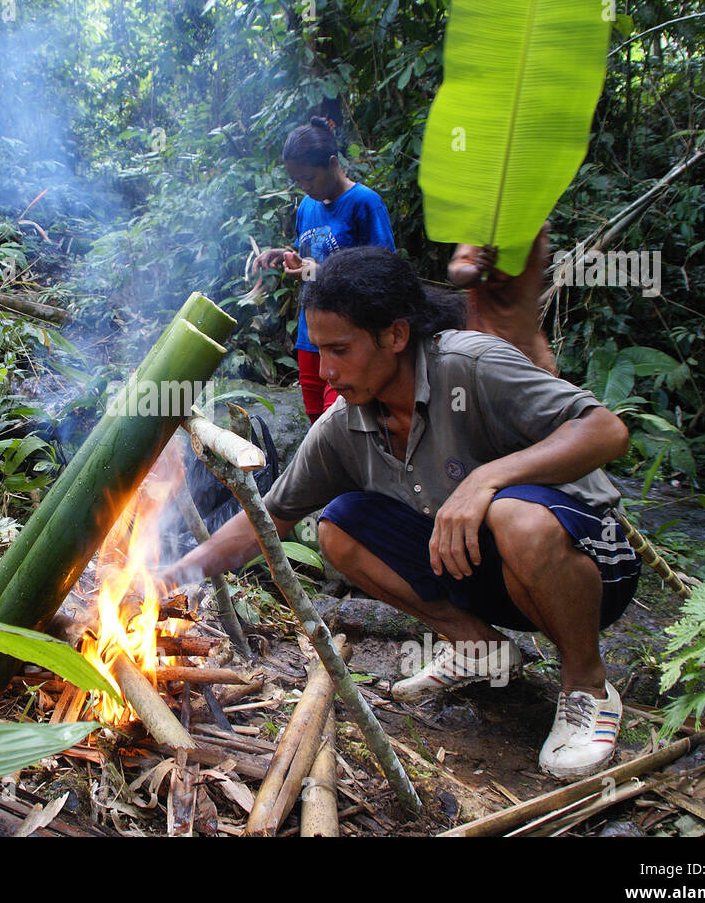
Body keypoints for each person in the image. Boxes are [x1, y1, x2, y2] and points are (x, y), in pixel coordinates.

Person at [165, 246, 641, 779]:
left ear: (394, 335)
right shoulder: (344, 426)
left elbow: (606, 430)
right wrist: (171, 578)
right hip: (489, 576)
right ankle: (480, 647)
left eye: (340, 350)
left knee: (514, 515)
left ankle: (587, 686)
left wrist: (487, 479)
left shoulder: (471, 365)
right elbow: (267, 520)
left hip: (591, 563)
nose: (326, 371)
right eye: (319, 351)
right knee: (340, 527)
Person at [252, 117, 397, 424]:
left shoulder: (365, 203)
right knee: (316, 421)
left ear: (333, 163)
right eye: (298, 182)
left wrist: (323, 271)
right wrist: (283, 256)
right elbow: (306, 254)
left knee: (342, 420)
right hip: (310, 335)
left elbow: (386, 272)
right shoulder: (307, 207)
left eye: (309, 178)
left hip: (349, 335)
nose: (305, 188)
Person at [447, 223, 557, 375]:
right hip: (491, 352)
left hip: (532, 354)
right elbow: (457, 273)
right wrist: (479, 268)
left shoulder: (538, 227)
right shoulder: (490, 227)